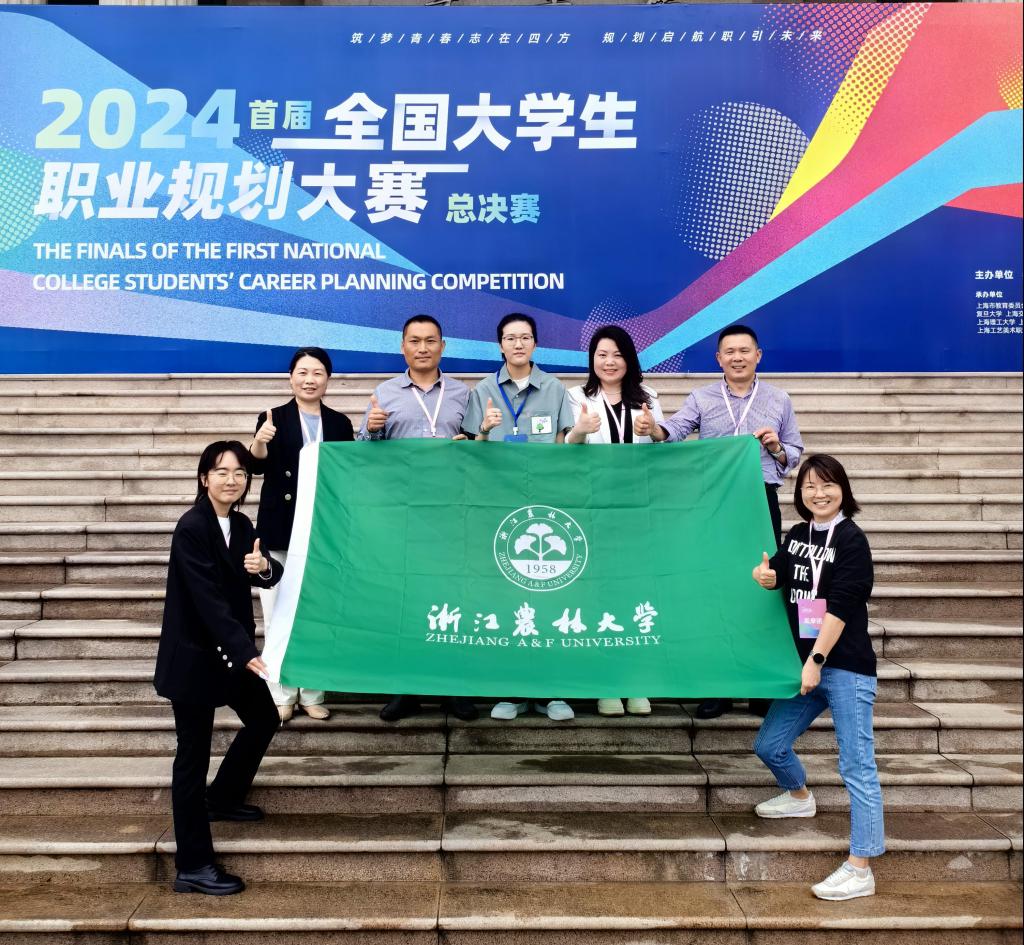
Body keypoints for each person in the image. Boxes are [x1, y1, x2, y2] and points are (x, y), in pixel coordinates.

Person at [635, 323, 803, 720]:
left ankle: (760, 686)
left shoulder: (778, 399)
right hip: (711, 504)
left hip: (759, 499)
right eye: (729, 351)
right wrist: (653, 428)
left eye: (744, 350)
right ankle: (718, 685)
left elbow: (794, 453)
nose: (737, 357)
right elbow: (674, 431)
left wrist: (777, 447)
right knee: (713, 587)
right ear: (718, 358)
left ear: (758, 355)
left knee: (762, 587)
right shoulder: (702, 397)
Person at [750, 454, 883, 901]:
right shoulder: (798, 535)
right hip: (806, 668)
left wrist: (817, 659)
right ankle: (799, 797)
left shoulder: (852, 541)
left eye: (827, 485)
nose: (818, 494)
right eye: (809, 486)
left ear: (843, 489)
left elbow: (841, 607)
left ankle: (860, 868)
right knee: (769, 745)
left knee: (857, 767)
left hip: (842, 667)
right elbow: (781, 574)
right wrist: (767, 577)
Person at [154, 441, 283, 896]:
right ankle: (193, 865)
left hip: (231, 655)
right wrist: (245, 649)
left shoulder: (242, 524)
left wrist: (264, 567)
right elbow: (206, 598)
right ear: (204, 478)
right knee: (192, 759)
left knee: (264, 718)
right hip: (195, 659)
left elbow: (267, 575)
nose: (232, 480)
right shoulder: (191, 527)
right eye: (222, 471)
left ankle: (223, 796)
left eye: (240, 473)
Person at [358, 314, 478, 724]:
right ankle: (405, 689)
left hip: (451, 512)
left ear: (443, 346)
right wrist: (372, 429)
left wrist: (471, 442)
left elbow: (480, 447)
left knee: (453, 595)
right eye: (415, 341)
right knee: (406, 599)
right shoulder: (384, 393)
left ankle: (454, 687)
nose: (423, 348)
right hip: (404, 513)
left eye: (430, 340)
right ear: (403, 347)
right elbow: (365, 451)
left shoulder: (462, 393)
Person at [463, 313, 577, 722]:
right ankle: (510, 689)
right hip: (498, 508)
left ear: (535, 344)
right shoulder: (482, 390)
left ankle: (551, 691)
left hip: (546, 507)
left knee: (549, 595)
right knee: (506, 597)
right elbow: (471, 452)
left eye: (525, 337)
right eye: (510, 338)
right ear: (500, 345)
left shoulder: (555, 388)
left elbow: (564, 445)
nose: (518, 344)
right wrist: (483, 430)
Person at [249, 346, 354, 723]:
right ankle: (280, 694)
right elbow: (256, 466)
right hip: (280, 529)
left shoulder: (340, 423)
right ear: (291, 377)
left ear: (328, 379)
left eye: (317, 373)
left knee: (318, 615)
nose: (310, 380)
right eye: (303, 372)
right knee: (276, 614)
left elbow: (347, 476)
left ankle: (312, 693)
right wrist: (260, 441)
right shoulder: (272, 417)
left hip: (322, 531)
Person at [565, 324, 664, 717]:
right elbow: (564, 450)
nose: (609, 362)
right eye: (602, 355)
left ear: (629, 359)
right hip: (594, 509)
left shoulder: (648, 396)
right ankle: (605, 682)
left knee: (636, 593)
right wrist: (578, 432)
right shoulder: (576, 396)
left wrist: (654, 430)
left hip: (637, 510)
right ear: (592, 359)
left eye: (618, 355)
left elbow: (664, 444)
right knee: (600, 594)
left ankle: (636, 680)